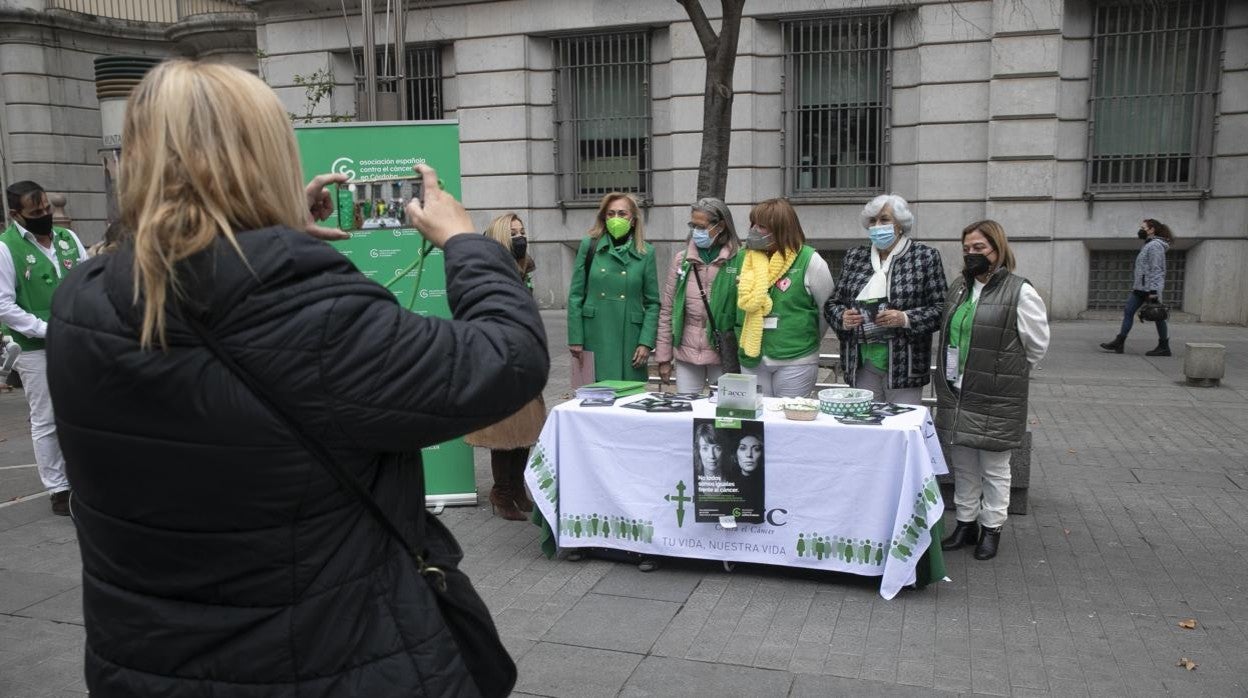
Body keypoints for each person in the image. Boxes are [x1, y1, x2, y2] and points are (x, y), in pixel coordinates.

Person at [44, 61, 547, 696]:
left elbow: (197, 291)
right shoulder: (314, 316)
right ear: (268, 159)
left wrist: (266, 232)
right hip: (319, 659)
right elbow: (510, 358)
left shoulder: (79, 307)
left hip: (147, 664)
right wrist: (465, 242)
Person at [935, 220, 1049, 561]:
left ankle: (992, 528)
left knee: (996, 468)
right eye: (967, 249)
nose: (972, 254)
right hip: (957, 391)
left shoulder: (1019, 291)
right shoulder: (959, 288)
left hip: (996, 395)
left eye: (979, 248)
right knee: (964, 463)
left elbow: (1036, 346)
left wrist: (1004, 373)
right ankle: (965, 523)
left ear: (998, 250)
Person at [2, 180, 88, 516]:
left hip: (75, 338)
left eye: (47, 209)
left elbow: (85, 278)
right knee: (47, 417)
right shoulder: (6, 247)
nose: (44, 216)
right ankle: (58, 488)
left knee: (81, 409)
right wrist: (47, 329)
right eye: (36, 212)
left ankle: (82, 474)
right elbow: (4, 304)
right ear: (15, 214)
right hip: (34, 346)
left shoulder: (68, 239)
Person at [824, 193, 947, 406]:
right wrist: (843, 317)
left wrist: (905, 318)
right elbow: (832, 304)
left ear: (900, 225)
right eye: (872, 221)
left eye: (884, 220)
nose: (877, 225)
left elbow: (942, 309)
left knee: (900, 428)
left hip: (904, 365)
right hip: (861, 362)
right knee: (864, 427)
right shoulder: (855, 257)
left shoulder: (925, 257)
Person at [466, 212, 547, 521]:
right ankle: (501, 492)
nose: (519, 237)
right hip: (499, 357)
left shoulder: (523, 269)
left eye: (522, 231)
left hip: (525, 356)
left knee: (527, 425)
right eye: (513, 232)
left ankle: (516, 489)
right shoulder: (486, 272)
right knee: (504, 429)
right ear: (500, 237)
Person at [734, 198, 833, 398]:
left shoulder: (810, 260)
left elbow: (827, 310)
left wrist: (806, 336)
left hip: (796, 358)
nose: (753, 230)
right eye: (752, 223)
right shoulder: (745, 258)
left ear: (780, 229)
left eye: (761, 226)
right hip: (752, 358)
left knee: (788, 421)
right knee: (757, 423)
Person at [567, 192, 659, 383]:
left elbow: (652, 303)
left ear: (633, 220)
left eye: (622, 214)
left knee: (628, 402)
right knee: (594, 399)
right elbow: (576, 295)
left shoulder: (646, 253)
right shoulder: (588, 245)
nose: (615, 218)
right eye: (610, 214)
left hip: (630, 339)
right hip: (594, 333)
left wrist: (646, 342)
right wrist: (575, 337)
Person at [656, 197, 741, 393]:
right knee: (688, 411)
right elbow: (668, 311)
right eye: (692, 225)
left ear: (720, 226)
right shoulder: (682, 260)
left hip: (723, 351)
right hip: (686, 351)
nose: (696, 231)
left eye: (701, 226)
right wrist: (663, 357)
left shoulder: (738, 260)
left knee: (722, 413)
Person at [1100, 218, 1173, 356]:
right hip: (1140, 288)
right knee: (1128, 311)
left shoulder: (1155, 246)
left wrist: (1153, 292)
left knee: (1158, 316)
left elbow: (1156, 269)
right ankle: (1119, 342)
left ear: (1151, 230)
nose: (1140, 230)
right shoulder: (1149, 244)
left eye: (1143, 227)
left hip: (1150, 289)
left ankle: (1164, 346)